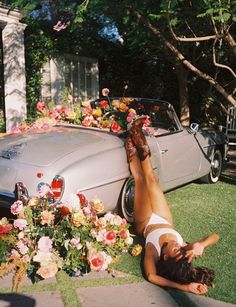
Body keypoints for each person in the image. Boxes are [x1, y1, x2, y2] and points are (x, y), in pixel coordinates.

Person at [125, 116, 219, 295]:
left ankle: (131, 150)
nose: (178, 245)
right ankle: (138, 136)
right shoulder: (184, 249)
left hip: (145, 223)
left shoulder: (153, 252)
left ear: (166, 256)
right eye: (181, 249)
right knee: (152, 179)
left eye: (175, 250)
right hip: (164, 219)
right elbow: (215, 236)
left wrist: (184, 287)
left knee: (141, 181)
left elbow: (152, 276)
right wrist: (202, 245)